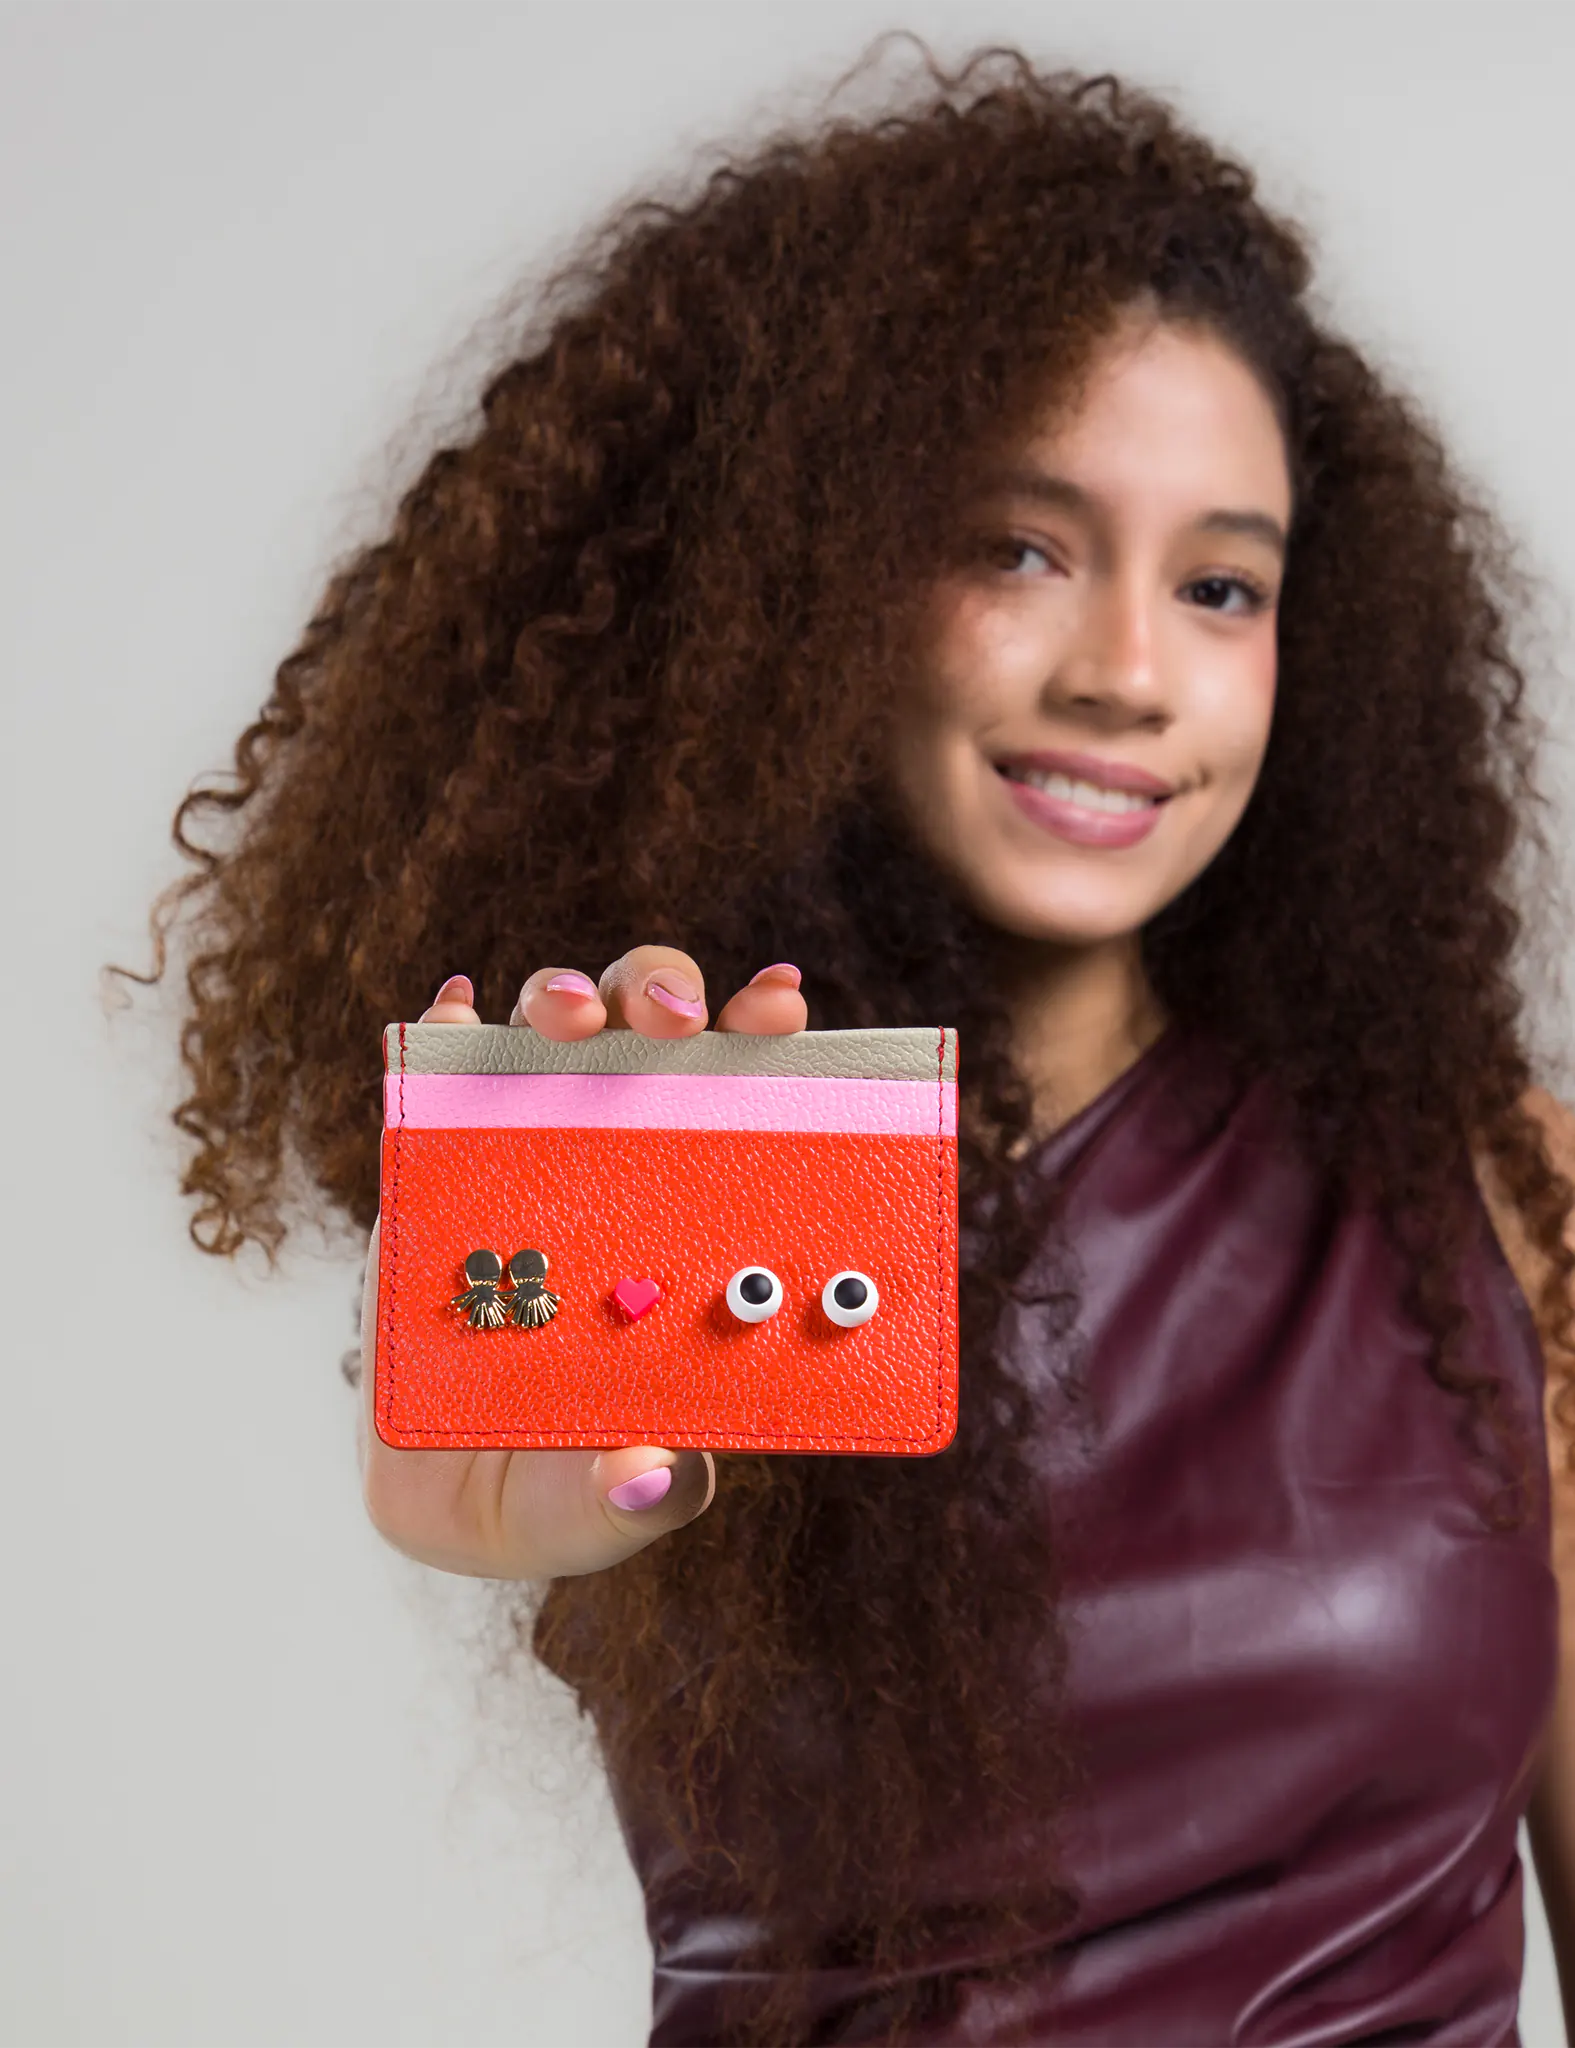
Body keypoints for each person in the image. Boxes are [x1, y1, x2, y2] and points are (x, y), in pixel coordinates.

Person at [133, 39, 1575, 2048]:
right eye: (1016, 548)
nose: (1129, 671)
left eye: (1219, 583)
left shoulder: (1499, 1201)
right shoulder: (695, 1172)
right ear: (807, 584)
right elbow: (506, 1474)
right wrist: (531, 1455)